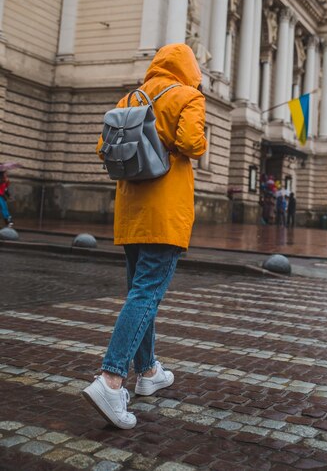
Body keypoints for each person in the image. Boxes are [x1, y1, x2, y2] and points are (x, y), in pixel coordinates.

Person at [82, 43, 207, 430]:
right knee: (146, 294)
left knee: (140, 292)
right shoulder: (189, 96)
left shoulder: (130, 96)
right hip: (166, 212)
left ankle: (149, 371)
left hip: (131, 213)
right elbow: (193, 143)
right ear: (188, 68)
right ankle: (111, 379)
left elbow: (103, 147)